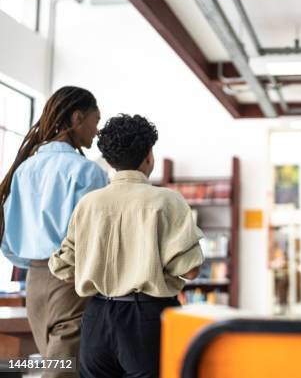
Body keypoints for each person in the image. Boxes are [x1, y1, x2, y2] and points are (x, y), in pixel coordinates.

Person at [49, 114, 204, 378]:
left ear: (109, 161)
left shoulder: (89, 203)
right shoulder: (167, 201)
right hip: (147, 318)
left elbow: (62, 267)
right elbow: (189, 271)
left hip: (97, 317)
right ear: (149, 156)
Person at [0, 86, 108, 376]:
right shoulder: (88, 172)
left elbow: (8, 234)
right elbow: (97, 237)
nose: (96, 131)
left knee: (54, 363)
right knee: (62, 370)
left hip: (34, 282)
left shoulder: (25, 169)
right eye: (95, 121)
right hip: (71, 280)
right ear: (76, 118)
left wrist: (31, 263)